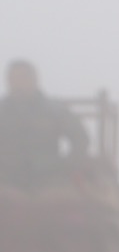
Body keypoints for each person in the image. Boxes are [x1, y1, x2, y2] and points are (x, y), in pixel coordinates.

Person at [0, 60, 90, 188]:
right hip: (5, 177)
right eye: (13, 78)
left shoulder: (55, 110)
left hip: (49, 176)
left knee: (84, 201)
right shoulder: (1, 112)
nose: (18, 83)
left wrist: (70, 165)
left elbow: (80, 138)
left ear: (35, 80)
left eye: (23, 77)